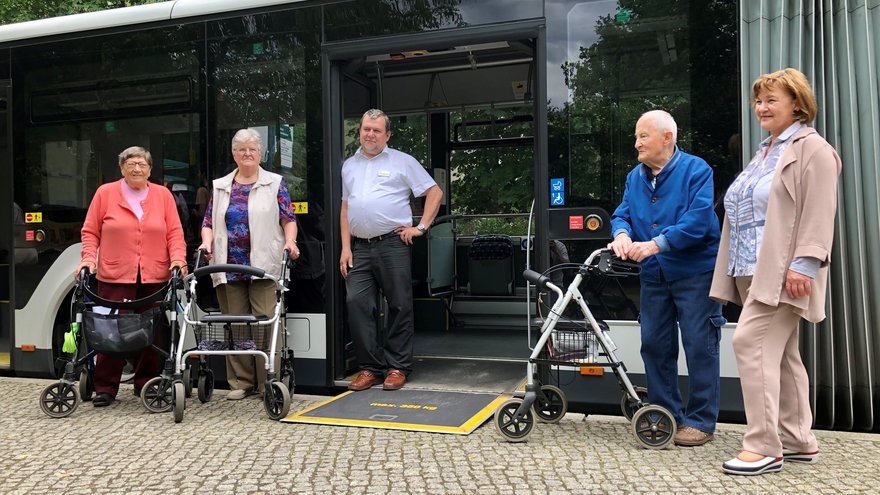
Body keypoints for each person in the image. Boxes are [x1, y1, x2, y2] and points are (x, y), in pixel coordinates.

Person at [712, 68, 841, 476]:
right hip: (752, 270)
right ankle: (798, 438)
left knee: (749, 343)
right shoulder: (764, 152)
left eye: (772, 100)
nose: (761, 107)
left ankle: (764, 445)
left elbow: (820, 210)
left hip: (785, 272)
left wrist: (805, 262)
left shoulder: (812, 149)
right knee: (782, 356)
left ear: (797, 105)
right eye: (758, 101)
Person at [608, 109, 724, 447]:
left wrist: (657, 244)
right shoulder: (635, 177)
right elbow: (622, 214)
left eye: (643, 136)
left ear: (667, 138)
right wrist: (621, 235)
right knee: (654, 345)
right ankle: (664, 414)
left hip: (695, 273)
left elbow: (699, 220)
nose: (636, 144)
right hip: (654, 275)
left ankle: (701, 422)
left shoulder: (697, 170)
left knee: (700, 346)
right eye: (636, 137)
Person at [76, 146, 187, 407]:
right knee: (111, 331)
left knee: (151, 331)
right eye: (131, 164)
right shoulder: (105, 193)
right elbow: (90, 232)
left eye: (142, 164)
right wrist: (88, 259)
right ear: (122, 168)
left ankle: (145, 383)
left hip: (154, 274)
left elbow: (174, 233)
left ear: (150, 169)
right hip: (115, 275)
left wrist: (178, 260)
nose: (137, 168)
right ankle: (105, 387)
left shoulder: (162, 195)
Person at [340, 108, 443, 391]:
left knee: (399, 305)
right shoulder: (349, 165)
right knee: (357, 305)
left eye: (376, 130)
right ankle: (370, 368)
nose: (370, 134)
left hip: (392, 244)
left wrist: (420, 227)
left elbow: (434, 192)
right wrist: (345, 247)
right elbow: (345, 207)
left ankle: (397, 367)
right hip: (359, 247)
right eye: (365, 129)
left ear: (387, 135)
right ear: (360, 131)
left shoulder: (403, 161)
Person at [198, 128, 300, 400]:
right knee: (237, 324)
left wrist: (291, 242)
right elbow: (208, 223)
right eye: (241, 149)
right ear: (233, 154)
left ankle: (269, 380)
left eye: (252, 149)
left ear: (260, 153)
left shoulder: (275, 182)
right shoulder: (221, 186)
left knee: (266, 323)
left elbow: (288, 218)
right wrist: (206, 244)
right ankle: (241, 382)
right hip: (227, 265)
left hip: (263, 265)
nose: (247, 153)